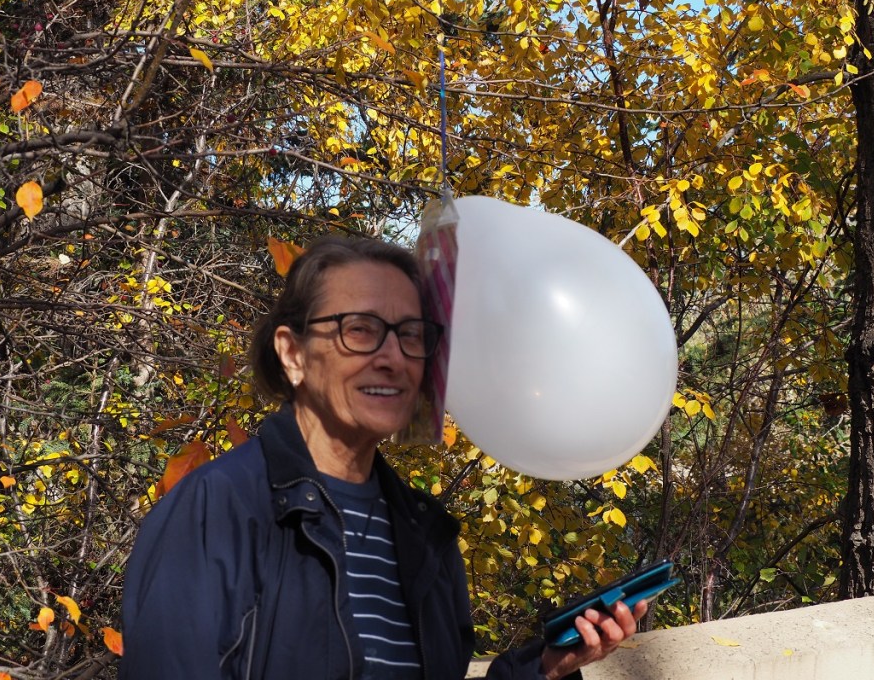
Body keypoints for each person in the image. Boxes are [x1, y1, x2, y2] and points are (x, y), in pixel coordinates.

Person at [120, 235, 646, 679]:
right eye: (360, 330)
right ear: (293, 353)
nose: (393, 357)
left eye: (411, 335)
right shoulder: (217, 509)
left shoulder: (425, 534)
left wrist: (546, 668)